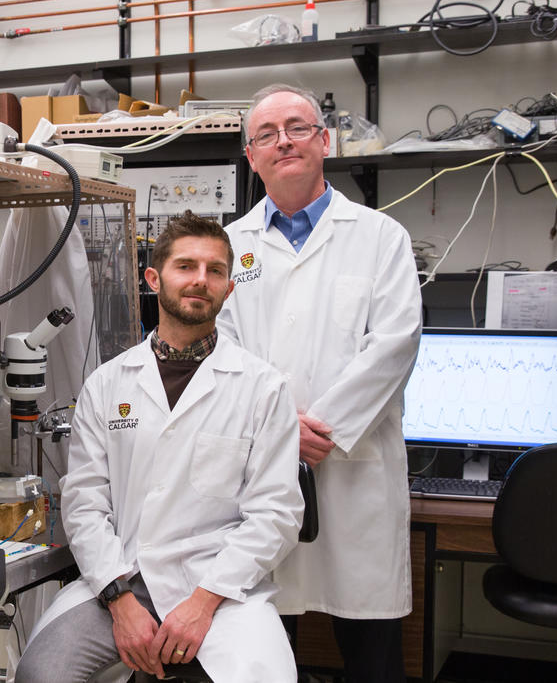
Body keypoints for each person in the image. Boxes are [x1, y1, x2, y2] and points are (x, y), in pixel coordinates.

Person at [16, 214, 305, 683]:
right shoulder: (108, 384)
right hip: (122, 579)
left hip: (220, 590)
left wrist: (203, 602)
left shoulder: (263, 389)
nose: (200, 280)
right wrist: (120, 601)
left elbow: (276, 514)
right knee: (41, 675)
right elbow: (86, 503)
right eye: (185, 266)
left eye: (215, 271)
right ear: (154, 279)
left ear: (229, 288)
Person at [218, 84, 423, 682]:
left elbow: (394, 345)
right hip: (262, 475)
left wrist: (318, 429)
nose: (283, 140)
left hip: (354, 472)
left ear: (324, 141)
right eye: (266, 134)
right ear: (251, 157)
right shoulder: (230, 247)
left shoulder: (381, 237)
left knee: (370, 652)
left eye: (298, 126)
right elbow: (222, 349)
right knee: (261, 648)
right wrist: (281, 429)